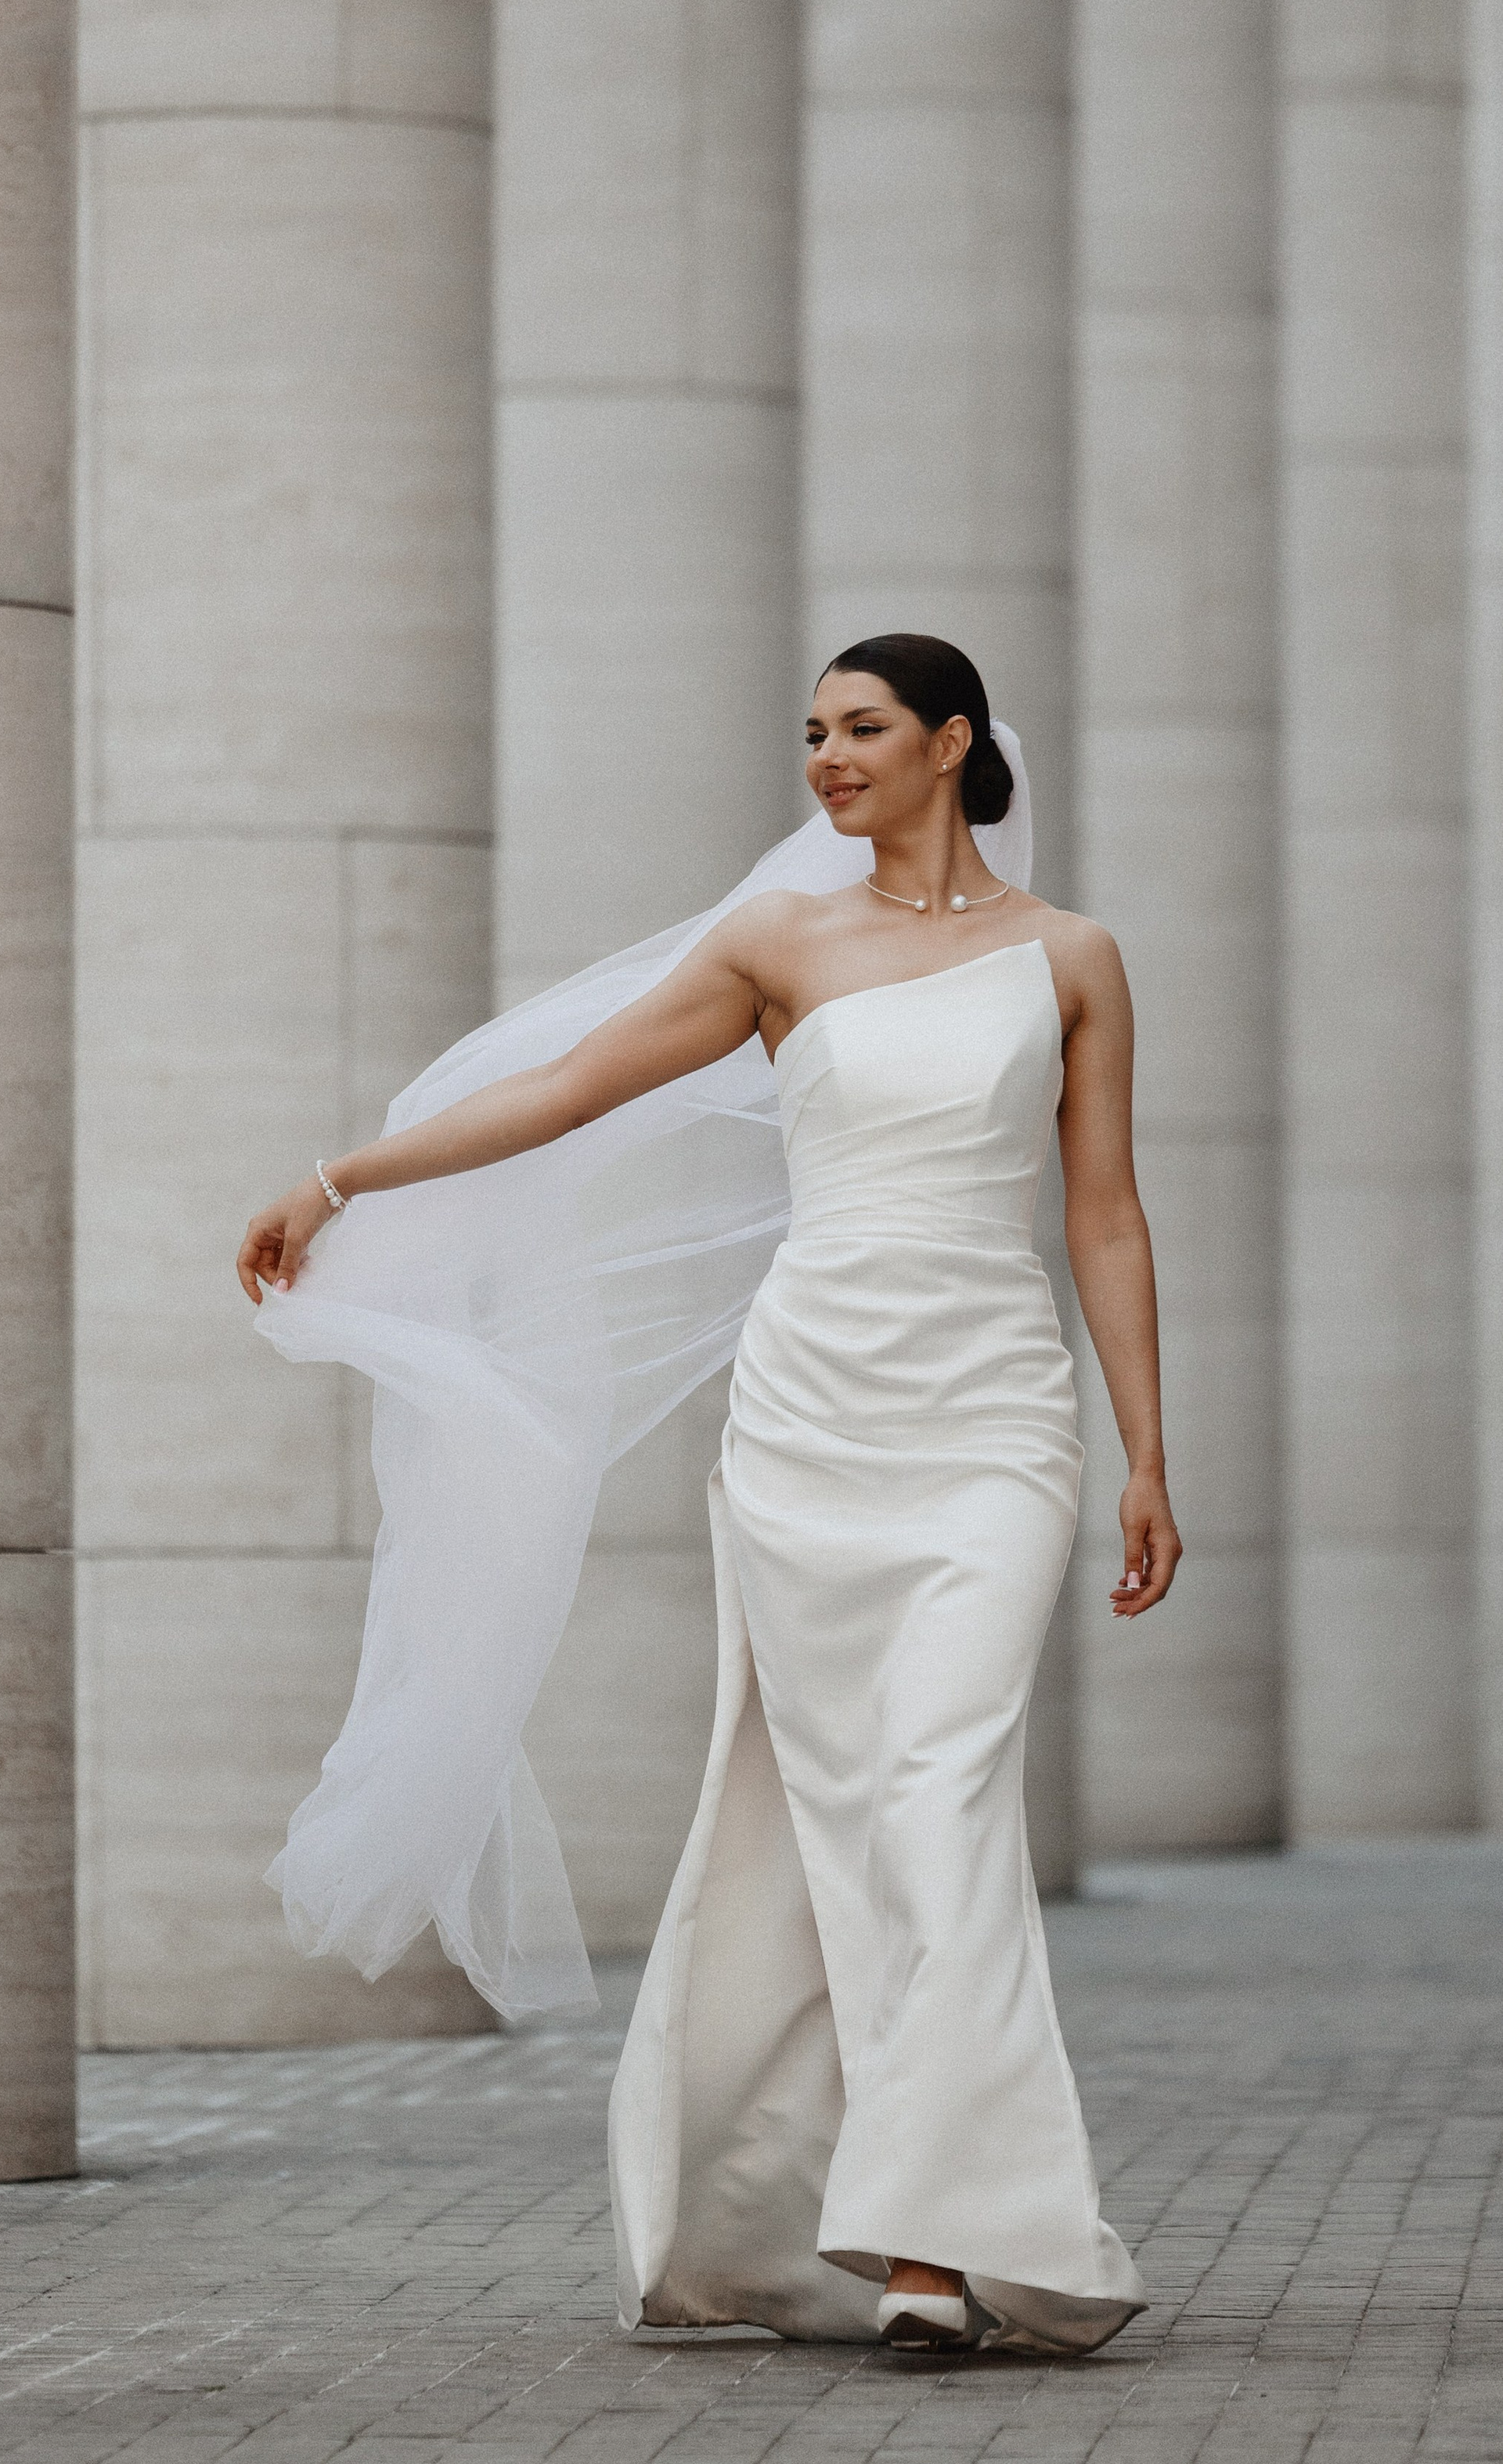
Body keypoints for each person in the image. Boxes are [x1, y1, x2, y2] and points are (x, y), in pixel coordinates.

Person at [237, 634, 1178, 2355]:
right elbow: (562, 1091)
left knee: (939, 1793)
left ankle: (933, 2237)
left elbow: (1102, 1213)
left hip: (993, 1421)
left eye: (860, 728)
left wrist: (1145, 1458)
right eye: (809, 733)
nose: (824, 757)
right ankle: (888, 2233)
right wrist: (339, 1179)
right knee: (836, 1814)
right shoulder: (772, 943)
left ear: (949, 743)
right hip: (809, 1421)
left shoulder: (1071, 959)